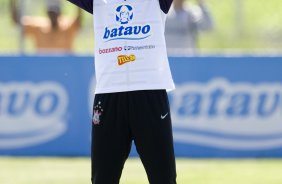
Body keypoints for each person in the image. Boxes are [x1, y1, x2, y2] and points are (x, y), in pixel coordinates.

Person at [67, 0, 177, 184]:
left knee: (163, 178)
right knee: (103, 178)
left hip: (149, 92)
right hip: (109, 94)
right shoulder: (99, 2)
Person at [11, 0, 81, 53]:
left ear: (60, 13)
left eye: (55, 12)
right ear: (47, 13)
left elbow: (79, 20)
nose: (53, 16)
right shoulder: (39, 26)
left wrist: (80, 4)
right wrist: (13, 2)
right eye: (50, 12)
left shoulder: (67, 25)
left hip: (65, 66)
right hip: (42, 66)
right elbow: (17, 21)